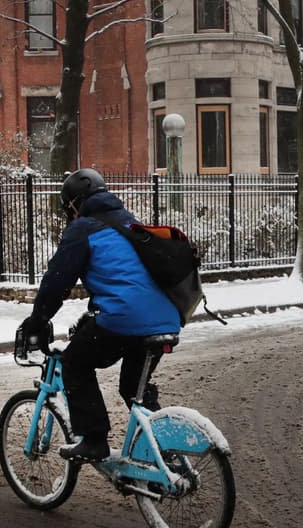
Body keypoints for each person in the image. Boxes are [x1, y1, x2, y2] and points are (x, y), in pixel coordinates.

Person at [18, 168, 182, 462]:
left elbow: (57, 281)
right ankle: (165, 455)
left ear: (73, 204)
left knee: (75, 363)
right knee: (134, 390)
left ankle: (93, 440)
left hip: (125, 319)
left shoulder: (83, 230)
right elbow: (127, 280)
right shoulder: (129, 223)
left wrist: (37, 320)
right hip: (166, 318)